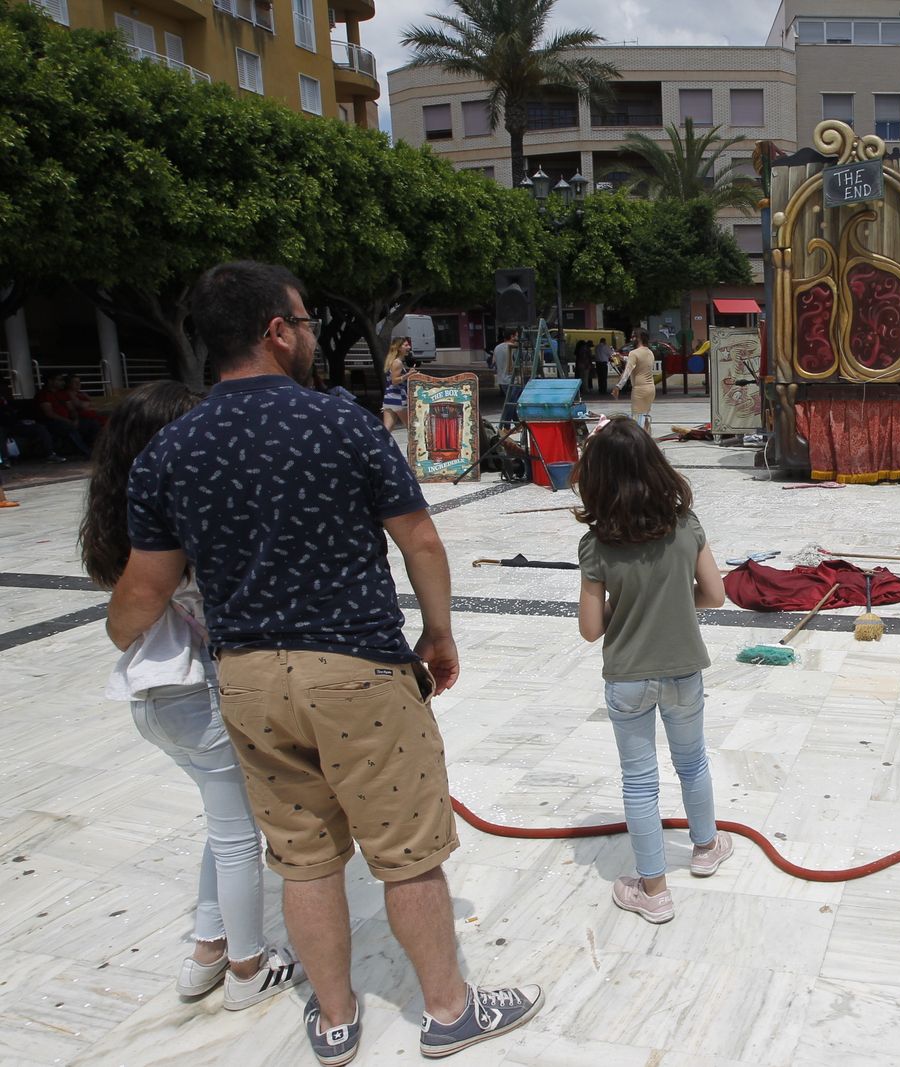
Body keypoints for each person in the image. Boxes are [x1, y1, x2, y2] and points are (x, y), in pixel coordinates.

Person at [107, 261, 539, 1065]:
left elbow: (140, 595)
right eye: (304, 321)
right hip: (357, 671)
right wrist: (438, 634)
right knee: (407, 854)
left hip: (248, 682)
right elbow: (420, 540)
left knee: (302, 859)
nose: (310, 333)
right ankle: (448, 1010)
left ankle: (335, 1021)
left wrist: (129, 629)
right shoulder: (340, 422)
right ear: (275, 331)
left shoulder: (171, 448)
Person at [81, 380, 304, 1009]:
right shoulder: (179, 527)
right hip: (195, 696)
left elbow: (127, 624)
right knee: (240, 837)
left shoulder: (123, 527)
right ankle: (248, 968)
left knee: (224, 824)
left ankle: (207, 953)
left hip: (155, 700)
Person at [574, 418, 731, 924]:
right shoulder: (688, 526)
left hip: (628, 678)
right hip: (684, 671)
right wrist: (673, 605)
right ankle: (705, 848)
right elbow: (715, 595)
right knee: (693, 762)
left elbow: (591, 629)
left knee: (640, 782)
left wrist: (626, 607)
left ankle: (654, 890)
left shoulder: (597, 545)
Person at [38, 372, 99, 456]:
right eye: (59, 380)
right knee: (69, 427)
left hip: (68, 420)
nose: (63, 382)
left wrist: (76, 419)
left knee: (93, 424)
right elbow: (50, 414)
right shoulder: (43, 394)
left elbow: (72, 409)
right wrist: (67, 420)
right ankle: (86, 452)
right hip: (52, 422)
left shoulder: (62, 394)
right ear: (50, 381)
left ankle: (96, 449)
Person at [614, 329, 657, 430]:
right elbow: (639, 361)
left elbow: (627, 372)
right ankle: (647, 436)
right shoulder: (650, 352)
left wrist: (618, 387)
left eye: (634, 336)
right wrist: (622, 358)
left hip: (639, 390)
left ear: (639, 338)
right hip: (650, 389)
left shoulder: (633, 353)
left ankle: (640, 438)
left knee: (637, 419)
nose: (631, 339)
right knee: (645, 417)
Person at [380, 337, 412, 431]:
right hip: (399, 398)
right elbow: (395, 381)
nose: (409, 347)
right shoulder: (398, 362)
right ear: (399, 348)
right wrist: (408, 375)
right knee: (411, 428)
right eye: (406, 345)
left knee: (387, 429)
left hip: (389, 398)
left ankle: (379, 441)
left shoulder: (392, 361)